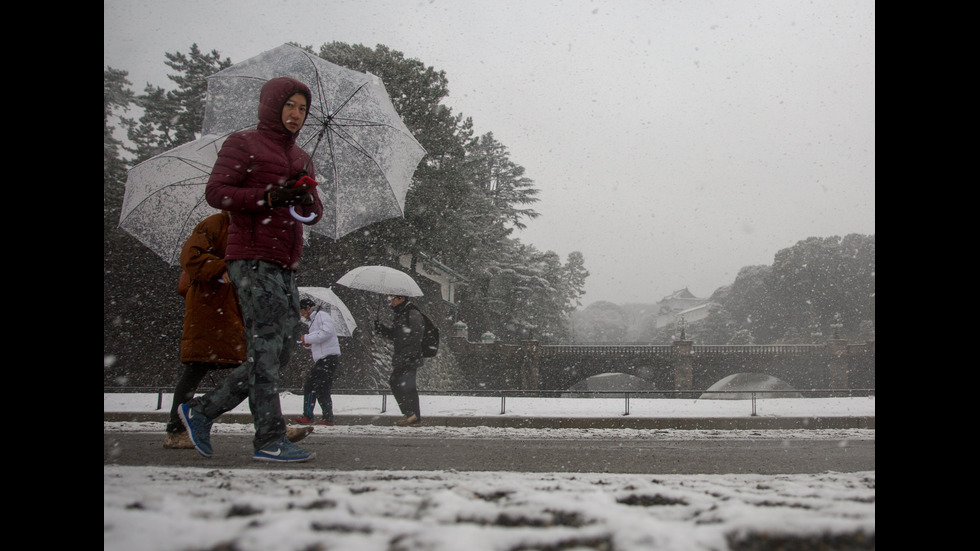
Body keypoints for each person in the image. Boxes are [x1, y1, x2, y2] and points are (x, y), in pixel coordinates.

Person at [178, 77, 323, 463]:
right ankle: (269, 439)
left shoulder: (301, 157)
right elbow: (217, 192)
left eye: (303, 109)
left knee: (278, 350)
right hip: (251, 258)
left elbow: (313, 214)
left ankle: (203, 410)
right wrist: (268, 197)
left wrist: (304, 194)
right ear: (272, 105)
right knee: (264, 349)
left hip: (284, 262)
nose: (296, 114)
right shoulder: (243, 144)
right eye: (290, 105)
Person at [165, 211, 312, 449]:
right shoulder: (216, 224)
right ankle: (176, 430)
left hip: (237, 311)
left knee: (258, 368)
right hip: (210, 311)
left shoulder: (254, 228)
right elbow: (190, 258)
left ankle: (270, 427)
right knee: (197, 369)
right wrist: (224, 267)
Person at [374, 294, 425, 427]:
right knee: (403, 385)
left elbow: (417, 334)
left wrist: (410, 354)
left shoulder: (411, 313)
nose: (391, 301)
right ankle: (412, 416)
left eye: (393, 298)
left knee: (401, 384)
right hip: (404, 355)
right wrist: (382, 329)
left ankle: (411, 415)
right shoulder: (402, 314)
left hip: (408, 356)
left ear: (402, 298)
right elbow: (397, 336)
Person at [290, 298, 341, 426]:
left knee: (318, 386)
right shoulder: (313, 321)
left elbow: (326, 333)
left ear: (307, 308)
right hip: (324, 358)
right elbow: (319, 339)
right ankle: (318, 416)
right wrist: (307, 343)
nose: (302, 314)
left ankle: (323, 418)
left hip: (328, 358)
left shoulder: (321, 315)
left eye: (302, 310)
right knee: (315, 386)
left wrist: (307, 337)